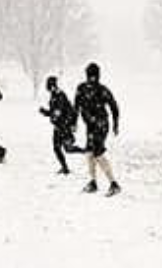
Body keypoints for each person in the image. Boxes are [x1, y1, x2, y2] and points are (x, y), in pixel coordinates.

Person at [73, 61, 121, 196]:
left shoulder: (102, 90)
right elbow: (75, 106)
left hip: (101, 124)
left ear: (98, 76)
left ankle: (114, 184)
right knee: (89, 152)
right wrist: (74, 122)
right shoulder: (81, 89)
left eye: (95, 76)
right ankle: (93, 182)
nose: (92, 78)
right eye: (90, 76)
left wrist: (116, 124)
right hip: (90, 125)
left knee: (97, 152)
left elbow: (114, 106)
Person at [40, 75, 78, 174]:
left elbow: (58, 112)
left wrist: (47, 113)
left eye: (48, 85)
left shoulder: (59, 95)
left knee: (68, 149)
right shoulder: (54, 94)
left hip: (64, 125)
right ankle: (65, 168)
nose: (47, 87)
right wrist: (47, 113)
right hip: (59, 126)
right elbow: (55, 112)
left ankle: (88, 151)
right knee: (57, 148)